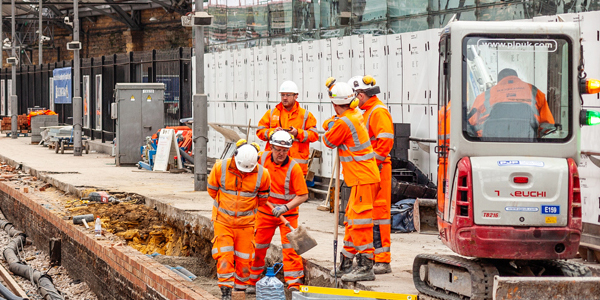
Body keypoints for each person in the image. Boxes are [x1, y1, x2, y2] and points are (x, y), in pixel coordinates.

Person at [322, 81, 381, 282]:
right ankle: (347, 261)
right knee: (351, 221)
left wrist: (330, 124)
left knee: (360, 222)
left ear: (335, 104)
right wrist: (332, 123)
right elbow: (333, 127)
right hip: (360, 178)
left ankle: (366, 265)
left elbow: (328, 141)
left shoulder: (345, 122)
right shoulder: (354, 114)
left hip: (362, 177)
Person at [207, 141, 271, 300]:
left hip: (246, 225)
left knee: (245, 261)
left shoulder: (263, 174)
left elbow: (262, 198)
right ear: (234, 157)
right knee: (224, 256)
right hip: (223, 222)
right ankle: (226, 292)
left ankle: (239, 291)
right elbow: (212, 190)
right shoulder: (220, 168)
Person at [248, 130, 309, 293]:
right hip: (264, 213)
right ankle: (251, 280)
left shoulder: (294, 168)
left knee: (290, 250)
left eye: (284, 150)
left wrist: (285, 207)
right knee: (257, 247)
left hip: (287, 215)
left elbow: (303, 195)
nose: (280, 153)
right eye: (277, 149)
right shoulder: (262, 159)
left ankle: (294, 284)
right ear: (271, 147)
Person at [347, 75, 394, 274]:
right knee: (367, 213)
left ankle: (382, 259)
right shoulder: (366, 112)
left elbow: (385, 141)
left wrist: (373, 163)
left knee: (379, 213)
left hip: (379, 168)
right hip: (370, 169)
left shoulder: (377, 111)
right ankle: (371, 255)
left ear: (360, 94)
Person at [468, 68, 555, 137]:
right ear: (516, 77)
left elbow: (470, 124)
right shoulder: (534, 92)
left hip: (491, 144)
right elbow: (547, 124)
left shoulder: (484, 96)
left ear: (499, 81)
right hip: (528, 144)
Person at [257, 81, 319, 176]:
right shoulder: (272, 113)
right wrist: (272, 132)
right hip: (273, 165)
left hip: (296, 167)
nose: (285, 98)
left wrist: (297, 133)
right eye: (282, 95)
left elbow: (314, 135)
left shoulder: (305, 115)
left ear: (296, 96)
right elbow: (260, 130)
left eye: (288, 95)